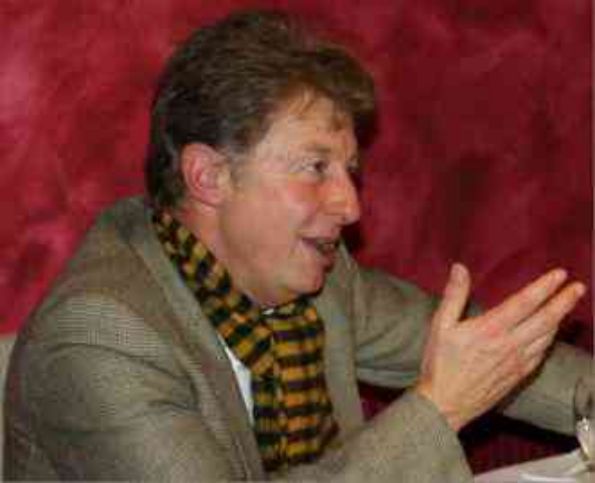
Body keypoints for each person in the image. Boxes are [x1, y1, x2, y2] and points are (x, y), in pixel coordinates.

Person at [4, 9, 589, 482]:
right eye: (315, 167)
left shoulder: (319, 281)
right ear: (209, 176)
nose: (350, 206)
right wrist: (440, 408)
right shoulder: (101, 337)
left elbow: (498, 357)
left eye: (349, 171)